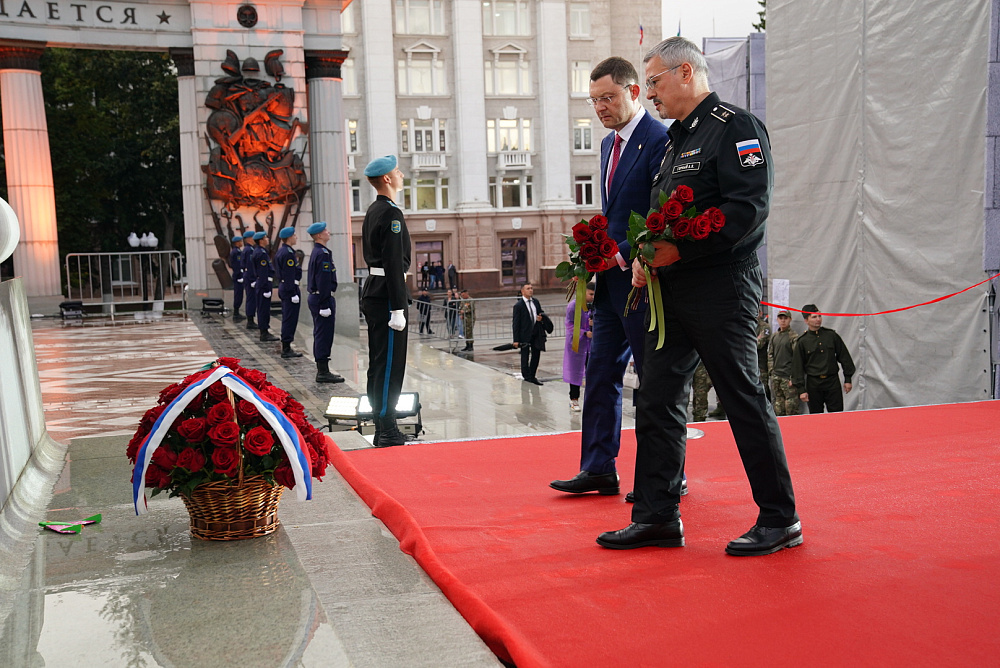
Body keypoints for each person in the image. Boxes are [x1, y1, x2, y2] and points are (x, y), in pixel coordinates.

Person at [597, 37, 800, 557]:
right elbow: (661, 214)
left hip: (722, 288)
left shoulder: (736, 128)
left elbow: (747, 211)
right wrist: (646, 254)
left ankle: (780, 518)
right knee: (659, 399)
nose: (652, 94)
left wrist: (678, 251)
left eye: (657, 82)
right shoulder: (674, 140)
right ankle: (657, 516)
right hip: (672, 295)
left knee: (741, 397)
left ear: (685, 72)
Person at [550, 56, 665, 498]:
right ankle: (598, 467)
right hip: (610, 283)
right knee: (600, 375)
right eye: (593, 99)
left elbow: (656, 215)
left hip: (642, 280)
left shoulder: (659, 140)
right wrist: (595, 261)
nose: (599, 107)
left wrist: (618, 255)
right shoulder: (607, 145)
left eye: (608, 97)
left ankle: (666, 474)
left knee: (653, 382)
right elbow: (614, 214)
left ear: (634, 92)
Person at [360, 155, 412, 447]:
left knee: (379, 361)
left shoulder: (374, 210)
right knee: (390, 363)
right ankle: (386, 426)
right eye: (397, 172)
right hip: (387, 295)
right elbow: (394, 263)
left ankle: (382, 421)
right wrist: (397, 307)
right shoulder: (391, 214)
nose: (402, 175)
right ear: (388, 179)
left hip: (376, 290)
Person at [791, 304, 855, 413]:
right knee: (816, 417)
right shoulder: (802, 341)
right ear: (806, 320)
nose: (818, 319)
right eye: (814, 317)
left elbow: (844, 357)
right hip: (814, 384)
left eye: (819, 316)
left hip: (832, 381)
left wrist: (848, 379)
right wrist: (801, 390)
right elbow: (798, 367)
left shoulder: (831, 336)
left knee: (837, 415)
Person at [306, 221, 344, 383]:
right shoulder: (322, 254)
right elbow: (322, 280)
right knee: (323, 334)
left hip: (320, 297)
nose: (328, 232)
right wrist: (324, 303)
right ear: (319, 235)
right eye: (325, 231)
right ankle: (322, 372)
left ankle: (323, 369)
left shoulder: (319, 252)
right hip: (322, 298)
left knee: (322, 333)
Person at [563, 282, 595, 411]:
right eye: (590, 294)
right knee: (575, 371)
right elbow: (569, 324)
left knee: (592, 371)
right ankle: (574, 399)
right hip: (577, 344)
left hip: (591, 345)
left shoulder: (594, 306)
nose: (593, 296)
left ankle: (591, 399)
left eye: (594, 294)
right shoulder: (573, 306)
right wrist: (583, 333)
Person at [274, 226, 303, 359]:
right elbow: (289, 273)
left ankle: (287, 345)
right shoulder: (288, 253)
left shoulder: (283, 251)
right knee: (290, 319)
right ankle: (286, 347)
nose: (296, 237)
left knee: (288, 317)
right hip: (289, 288)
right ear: (289, 237)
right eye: (294, 235)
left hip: (285, 286)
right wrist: (292, 293)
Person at [512, 282, 549, 385]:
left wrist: (541, 318)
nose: (531, 290)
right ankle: (526, 376)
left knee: (536, 354)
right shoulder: (519, 306)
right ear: (522, 291)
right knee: (525, 355)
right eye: (528, 288)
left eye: (532, 288)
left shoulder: (535, 302)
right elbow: (516, 323)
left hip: (536, 333)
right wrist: (516, 339)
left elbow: (540, 312)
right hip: (525, 334)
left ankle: (532, 375)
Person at [768, 310, 800, 416]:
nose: (783, 321)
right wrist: (772, 371)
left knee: (791, 406)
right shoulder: (774, 336)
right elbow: (770, 354)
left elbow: (797, 358)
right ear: (777, 320)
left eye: (785, 318)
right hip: (776, 375)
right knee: (778, 405)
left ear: (790, 319)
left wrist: (793, 376)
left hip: (788, 376)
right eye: (781, 318)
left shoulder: (793, 337)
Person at [252, 231, 279, 343]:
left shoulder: (260, 252)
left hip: (262, 283)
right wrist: (266, 289)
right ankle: (264, 333)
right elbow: (263, 272)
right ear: (261, 241)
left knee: (263, 309)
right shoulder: (261, 253)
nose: (267, 239)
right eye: (265, 238)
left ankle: (264, 331)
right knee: (263, 309)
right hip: (264, 284)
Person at [241, 229, 258, 330]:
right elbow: (250, 265)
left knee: (251, 298)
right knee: (251, 299)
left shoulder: (248, 249)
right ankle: (250, 321)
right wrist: (252, 280)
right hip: (250, 276)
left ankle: (250, 319)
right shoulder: (249, 250)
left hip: (248, 275)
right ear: (249, 239)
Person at [229, 234, 246, 322]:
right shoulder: (236, 252)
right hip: (238, 276)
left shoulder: (237, 251)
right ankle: (236, 313)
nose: (241, 243)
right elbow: (236, 265)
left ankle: (237, 312)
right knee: (238, 295)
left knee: (239, 295)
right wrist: (239, 275)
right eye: (240, 242)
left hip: (239, 275)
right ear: (236, 243)